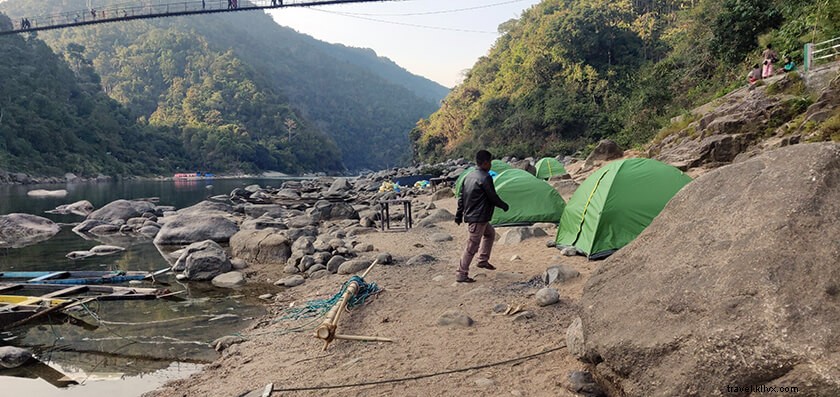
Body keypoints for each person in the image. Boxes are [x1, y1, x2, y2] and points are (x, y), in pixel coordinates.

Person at [454, 150, 510, 283]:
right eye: (490, 162)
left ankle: (483, 260)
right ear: (485, 163)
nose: (491, 164)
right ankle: (461, 274)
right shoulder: (485, 177)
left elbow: (461, 197)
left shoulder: (468, 176)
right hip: (478, 218)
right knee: (472, 245)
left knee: (490, 234)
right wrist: (503, 205)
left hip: (478, 217)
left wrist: (458, 214)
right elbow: (492, 196)